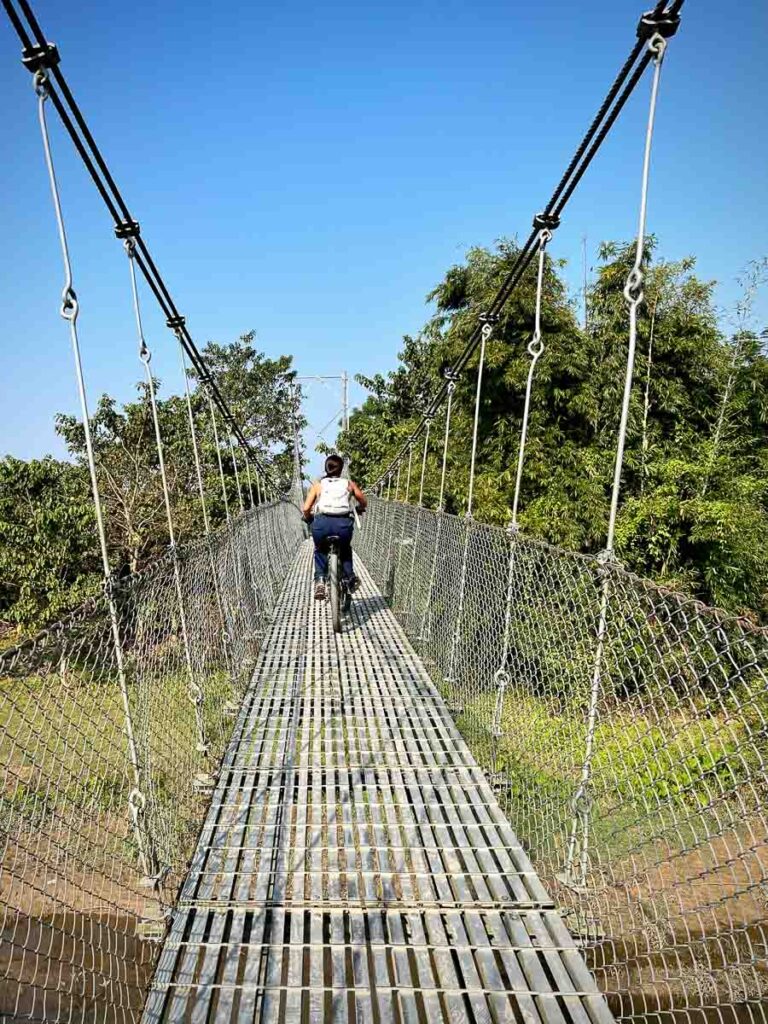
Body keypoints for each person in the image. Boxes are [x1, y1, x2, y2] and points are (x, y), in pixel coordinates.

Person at [302, 454, 367, 601]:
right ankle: (350, 577)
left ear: (326, 468)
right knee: (345, 549)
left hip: (321, 526)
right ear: (341, 469)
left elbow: (306, 508)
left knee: (320, 550)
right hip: (343, 526)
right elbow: (363, 501)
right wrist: (360, 508)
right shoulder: (349, 484)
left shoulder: (318, 485)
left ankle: (319, 581)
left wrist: (308, 517)